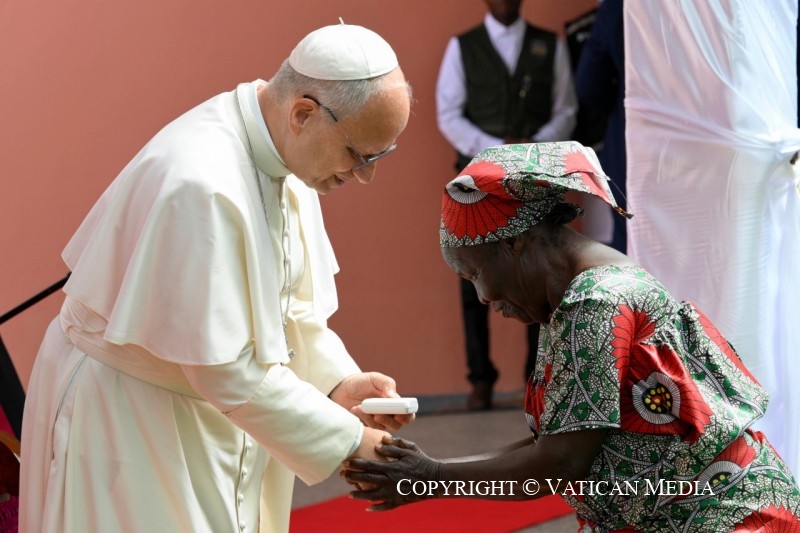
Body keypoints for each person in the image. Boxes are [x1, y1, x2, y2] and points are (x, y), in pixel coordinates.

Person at [19, 22, 414, 533]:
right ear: (303, 113)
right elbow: (223, 369)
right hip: (130, 421)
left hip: (206, 415)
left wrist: (339, 382)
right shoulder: (200, 183)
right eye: (359, 155)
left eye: (379, 156)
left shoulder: (285, 157)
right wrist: (347, 440)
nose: (365, 175)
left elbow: (290, 308)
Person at [344, 142, 800, 531]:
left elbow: (561, 462)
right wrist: (429, 471)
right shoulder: (580, 296)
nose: (482, 296)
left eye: (475, 274)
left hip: (722, 517)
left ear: (514, 243)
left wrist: (432, 478)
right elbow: (559, 439)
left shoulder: (596, 302)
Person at [436, 0, 577, 410]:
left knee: (539, 271)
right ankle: (480, 379)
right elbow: (448, 114)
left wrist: (530, 149)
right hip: (476, 177)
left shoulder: (549, 44)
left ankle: (536, 377)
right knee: (472, 274)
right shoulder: (462, 47)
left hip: (535, 177)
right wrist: (497, 149)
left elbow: (566, 109)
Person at [574, 0, 627, 253]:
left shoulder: (620, 5)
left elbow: (588, 84)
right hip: (719, 145)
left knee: (633, 245)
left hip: (633, 143)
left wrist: (619, 107)